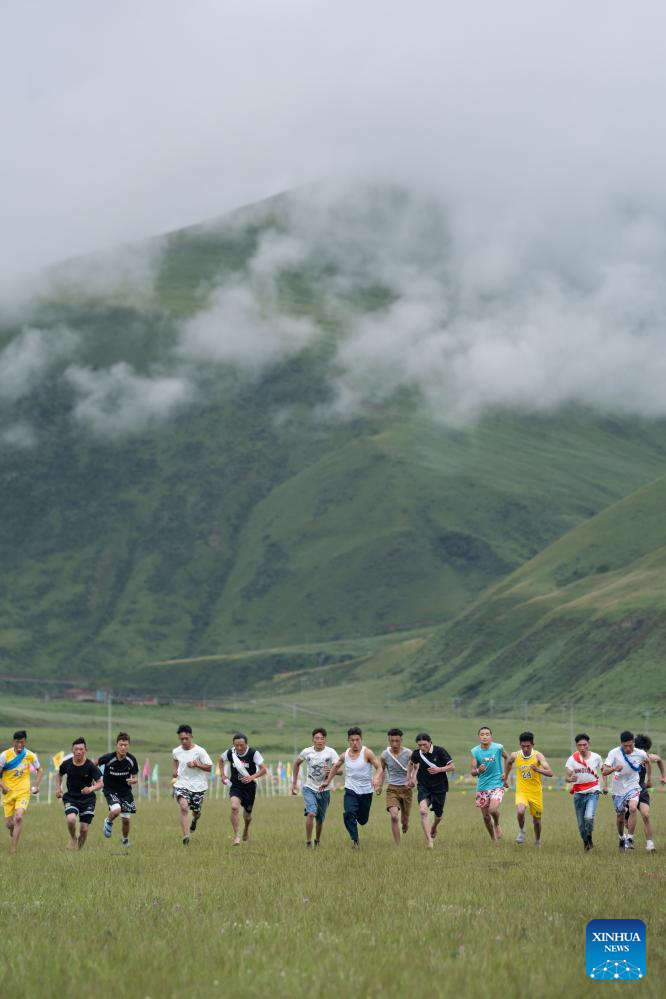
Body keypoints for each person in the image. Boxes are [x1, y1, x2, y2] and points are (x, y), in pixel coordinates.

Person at [320, 727, 381, 848]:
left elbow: (379, 767)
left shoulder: (367, 753)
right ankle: (355, 840)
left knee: (363, 820)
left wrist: (376, 777)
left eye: (357, 740)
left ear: (361, 739)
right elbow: (336, 767)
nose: (355, 743)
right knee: (348, 813)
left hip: (366, 792)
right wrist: (327, 781)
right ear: (348, 740)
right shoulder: (345, 755)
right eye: (352, 740)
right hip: (350, 789)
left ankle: (358, 822)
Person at [291, 727, 338, 847]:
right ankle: (308, 841)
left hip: (324, 789)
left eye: (322, 738)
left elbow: (340, 771)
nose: (319, 741)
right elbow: (296, 764)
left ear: (325, 740)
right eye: (317, 738)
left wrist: (332, 770)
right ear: (313, 739)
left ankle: (317, 840)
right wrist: (294, 782)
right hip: (309, 787)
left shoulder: (331, 752)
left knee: (320, 820)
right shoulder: (307, 752)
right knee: (311, 813)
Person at [503, 732, 552, 847]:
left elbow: (550, 772)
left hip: (536, 793)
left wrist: (538, 770)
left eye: (528, 746)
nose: (525, 749)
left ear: (533, 744)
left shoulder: (538, 756)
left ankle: (538, 841)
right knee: (520, 811)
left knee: (537, 821)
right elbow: (509, 763)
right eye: (523, 746)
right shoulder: (515, 755)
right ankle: (522, 831)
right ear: (520, 745)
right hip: (522, 791)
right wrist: (505, 777)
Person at [602, 731, 649, 851]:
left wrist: (648, 778)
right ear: (621, 744)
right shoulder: (614, 753)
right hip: (618, 789)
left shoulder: (641, 753)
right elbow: (604, 771)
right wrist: (613, 768)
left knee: (633, 808)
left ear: (633, 743)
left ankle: (630, 838)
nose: (628, 748)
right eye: (625, 746)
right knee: (620, 817)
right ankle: (621, 837)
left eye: (630, 745)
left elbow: (648, 762)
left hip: (633, 785)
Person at [407, 732, 454, 849]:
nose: (422, 748)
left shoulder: (440, 751)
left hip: (439, 787)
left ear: (430, 742)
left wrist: (440, 769)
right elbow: (411, 764)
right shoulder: (417, 753)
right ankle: (429, 841)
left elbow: (452, 766)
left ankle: (434, 826)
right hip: (423, 786)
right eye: (419, 745)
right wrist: (410, 777)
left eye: (424, 745)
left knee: (438, 816)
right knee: (423, 811)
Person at [55, 738, 103, 850]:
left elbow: (101, 783)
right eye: (76, 749)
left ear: (85, 750)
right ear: (72, 750)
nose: (78, 751)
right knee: (71, 819)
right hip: (71, 797)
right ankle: (73, 838)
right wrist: (58, 788)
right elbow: (59, 775)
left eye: (81, 749)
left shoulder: (91, 766)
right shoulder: (66, 764)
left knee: (84, 829)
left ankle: (78, 851)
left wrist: (91, 789)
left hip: (88, 799)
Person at [0, 730, 42, 854]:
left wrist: (36, 785)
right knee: (9, 824)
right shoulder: (4, 756)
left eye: (22, 742)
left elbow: (40, 770)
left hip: (23, 792)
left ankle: (13, 849)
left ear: (25, 742)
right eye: (17, 742)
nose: (19, 745)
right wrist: (2, 786)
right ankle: (12, 831)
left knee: (18, 817)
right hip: (8, 793)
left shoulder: (30, 755)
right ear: (13, 742)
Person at [221, 733, 268, 846]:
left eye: (241, 745)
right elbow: (220, 760)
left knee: (247, 816)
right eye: (236, 745)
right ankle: (237, 835)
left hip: (250, 788)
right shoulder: (230, 753)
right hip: (236, 786)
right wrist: (223, 775)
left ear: (246, 744)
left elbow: (264, 769)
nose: (239, 748)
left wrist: (252, 777)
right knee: (234, 807)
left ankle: (246, 829)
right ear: (233, 744)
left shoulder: (253, 753)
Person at [564, 733, 607, 851]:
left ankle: (589, 836)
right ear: (576, 746)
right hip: (578, 794)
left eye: (585, 745)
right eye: (579, 745)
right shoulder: (572, 759)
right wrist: (570, 779)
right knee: (581, 825)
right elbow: (566, 777)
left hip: (593, 791)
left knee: (588, 817)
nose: (582, 747)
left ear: (589, 744)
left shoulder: (596, 757)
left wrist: (605, 785)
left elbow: (604, 771)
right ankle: (586, 841)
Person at [171, 725, 213, 846]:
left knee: (196, 812)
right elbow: (175, 760)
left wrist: (197, 765)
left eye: (186, 738)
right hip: (181, 784)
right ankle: (186, 836)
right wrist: (175, 771)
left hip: (198, 786)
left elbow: (210, 767)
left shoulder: (200, 751)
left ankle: (194, 820)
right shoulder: (176, 751)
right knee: (184, 807)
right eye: (181, 739)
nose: (184, 741)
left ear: (191, 736)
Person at [97, 732, 139, 848]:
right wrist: (95, 777)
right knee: (116, 810)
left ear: (128, 746)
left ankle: (125, 840)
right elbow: (94, 764)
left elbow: (135, 777)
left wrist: (134, 780)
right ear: (117, 745)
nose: (123, 747)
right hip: (110, 790)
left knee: (126, 819)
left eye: (125, 745)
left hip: (125, 792)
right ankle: (108, 821)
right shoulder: (109, 758)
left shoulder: (131, 760)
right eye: (121, 745)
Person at [623, 733, 664, 852]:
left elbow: (660, 760)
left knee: (646, 815)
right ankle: (626, 840)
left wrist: (663, 776)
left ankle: (650, 845)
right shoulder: (628, 757)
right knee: (626, 819)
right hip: (629, 790)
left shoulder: (648, 757)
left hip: (642, 789)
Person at [469, 726, 509, 842]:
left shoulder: (498, 748)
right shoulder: (475, 751)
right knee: (486, 817)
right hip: (482, 786)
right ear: (479, 737)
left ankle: (496, 824)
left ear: (491, 737)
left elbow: (508, 758)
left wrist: (506, 773)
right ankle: (493, 839)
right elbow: (472, 772)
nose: (485, 736)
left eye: (487, 734)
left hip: (497, 784)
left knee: (492, 809)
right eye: (482, 734)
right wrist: (478, 771)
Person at [376, 728, 413, 845]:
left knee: (405, 820)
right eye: (392, 741)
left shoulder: (409, 753)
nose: (395, 744)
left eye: (397, 741)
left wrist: (412, 780)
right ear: (389, 740)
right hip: (392, 789)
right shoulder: (384, 755)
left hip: (406, 789)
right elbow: (382, 771)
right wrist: (380, 786)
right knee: (394, 816)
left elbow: (416, 768)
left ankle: (406, 823)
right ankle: (398, 845)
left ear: (401, 740)